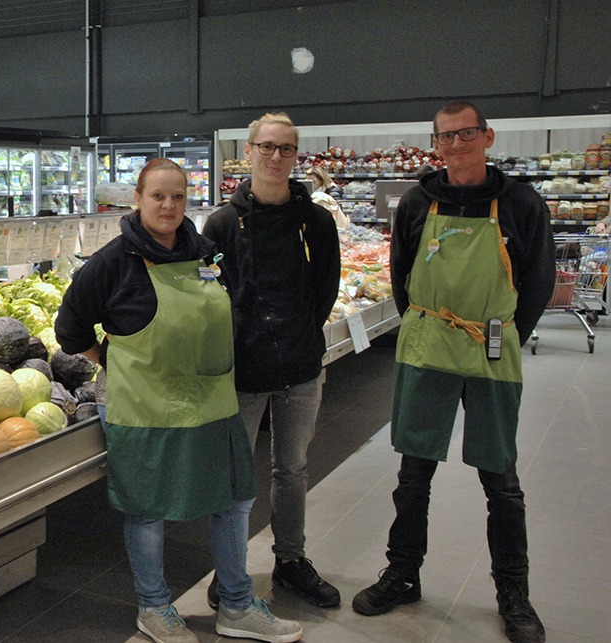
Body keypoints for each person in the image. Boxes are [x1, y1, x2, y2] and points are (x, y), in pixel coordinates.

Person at [55, 158, 303, 643]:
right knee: (148, 508)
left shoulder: (207, 253)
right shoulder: (111, 262)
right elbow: (70, 330)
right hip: (143, 404)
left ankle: (235, 603)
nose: (168, 206)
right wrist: (112, 358)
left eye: (178, 196)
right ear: (138, 200)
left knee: (234, 499)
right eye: (158, 196)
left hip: (212, 396)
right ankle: (153, 607)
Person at [351, 100, 554, 643]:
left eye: (467, 135)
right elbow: (400, 275)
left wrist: (503, 330)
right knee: (413, 473)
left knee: (500, 479)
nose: (457, 145)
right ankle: (402, 574)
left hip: (490, 345)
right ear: (435, 144)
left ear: (487, 137)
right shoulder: (417, 202)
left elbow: (537, 280)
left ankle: (514, 593)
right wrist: (426, 324)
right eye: (446, 137)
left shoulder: (520, 202)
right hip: (427, 345)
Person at [200, 113, 342, 609]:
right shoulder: (220, 223)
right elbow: (209, 294)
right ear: (249, 151)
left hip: (302, 365)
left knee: (293, 468)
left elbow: (327, 287)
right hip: (243, 369)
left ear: (296, 155)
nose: (276, 157)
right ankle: (230, 569)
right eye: (267, 147)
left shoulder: (317, 221)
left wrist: (301, 332)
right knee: (236, 475)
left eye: (286, 149)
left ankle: (291, 561)